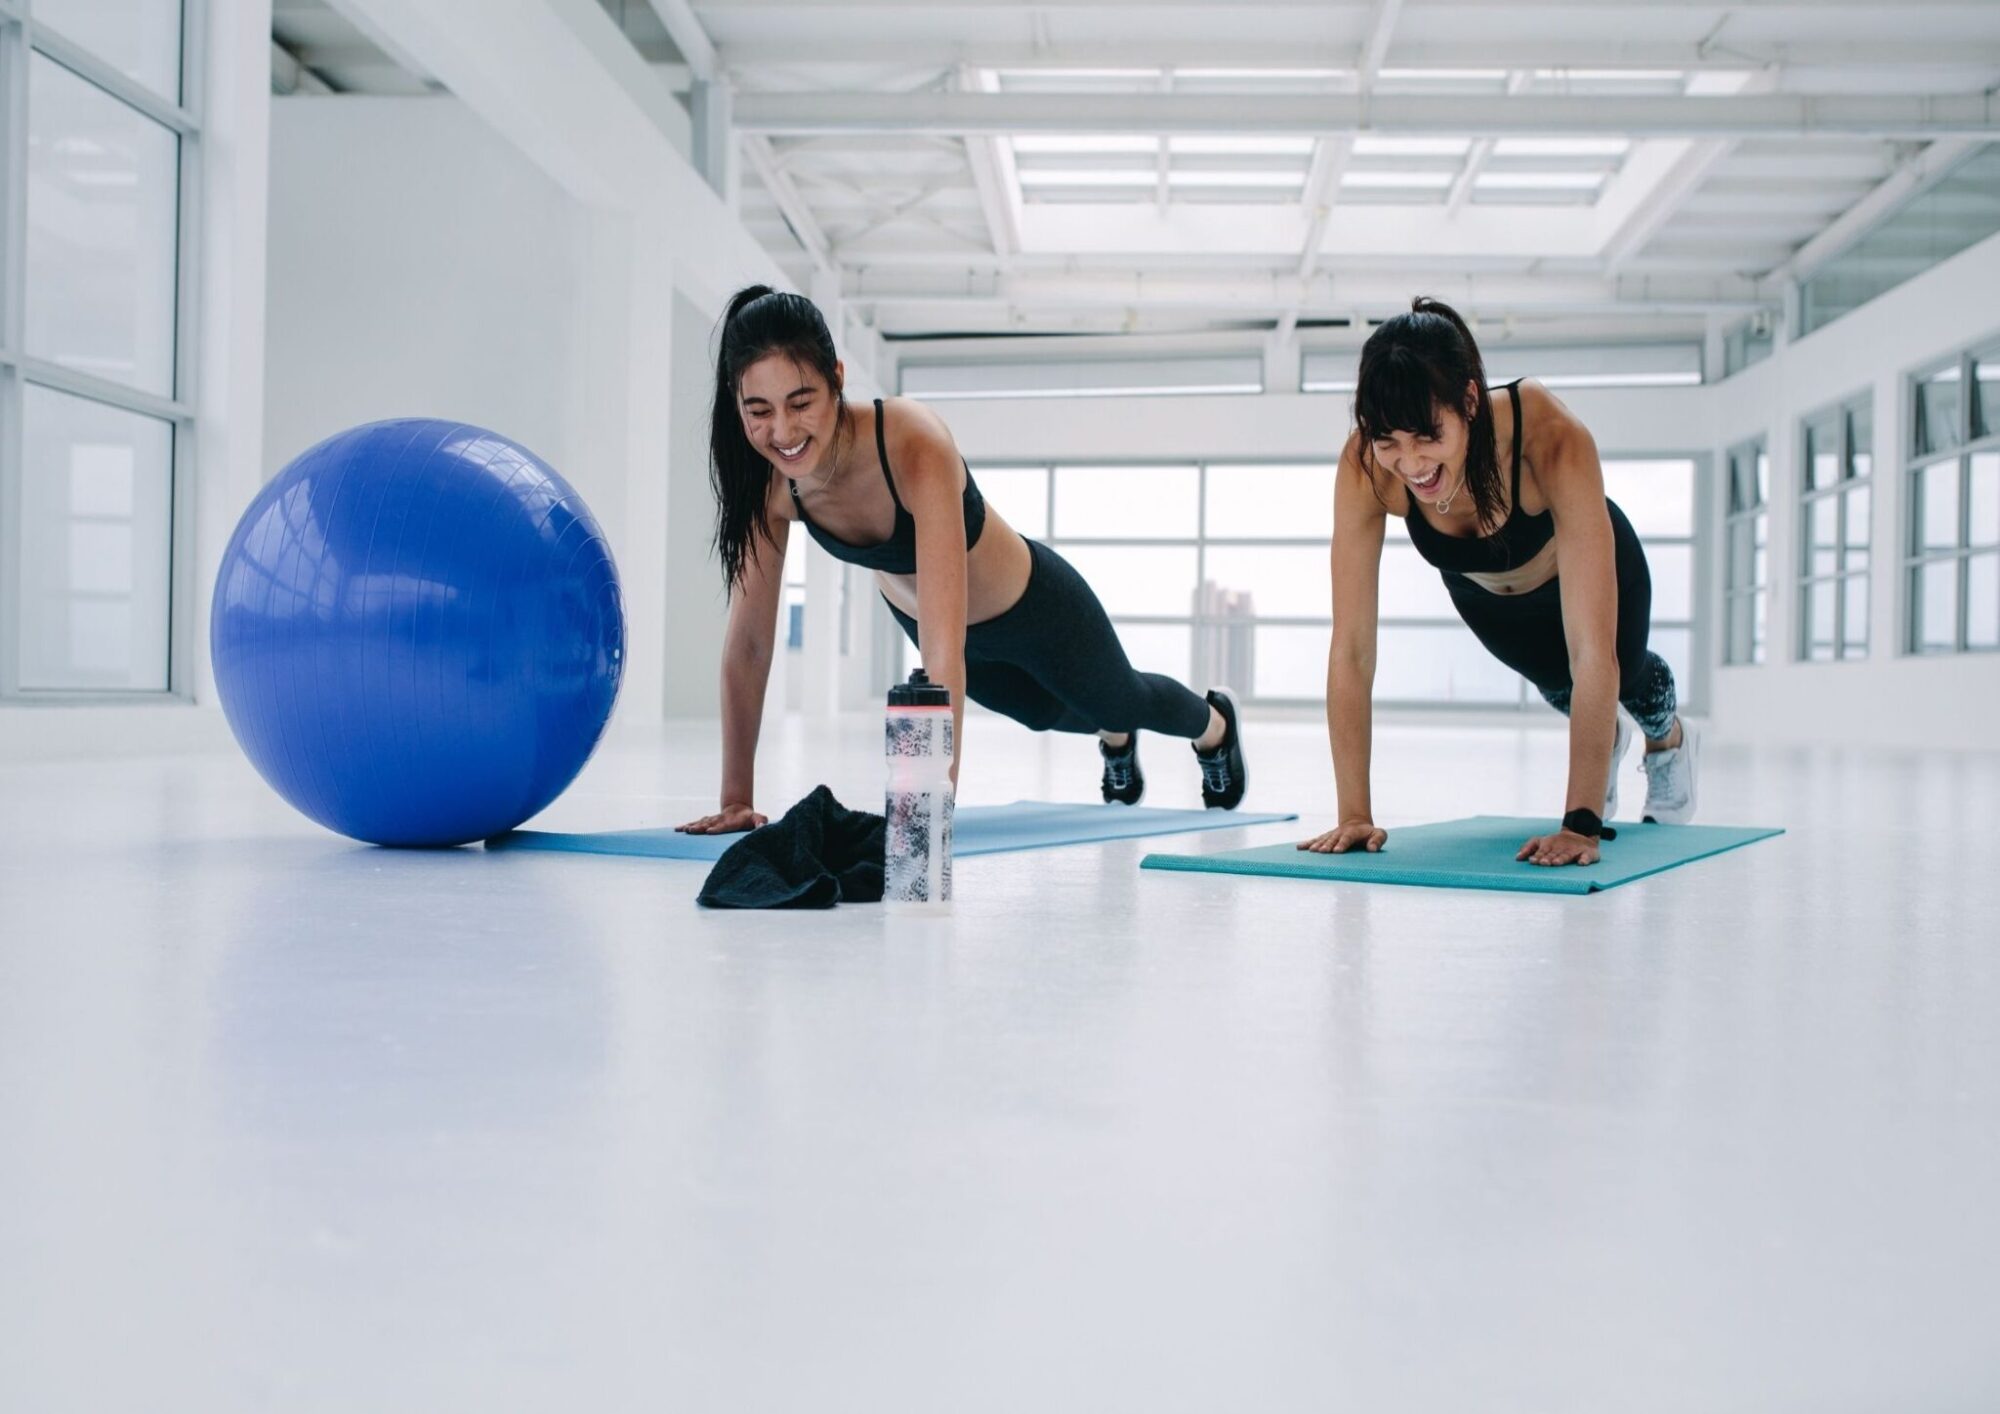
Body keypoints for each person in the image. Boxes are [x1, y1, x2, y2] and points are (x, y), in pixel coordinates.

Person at [677, 286, 1247, 835]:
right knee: (1041, 714)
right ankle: (1113, 735)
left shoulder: (912, 441)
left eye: (801, 402)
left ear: (837, 381)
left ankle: (1213, 725)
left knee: (1124, 697)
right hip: (933, 622)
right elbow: (750, 643)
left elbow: (941, 648)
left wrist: (931, 810)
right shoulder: (771, 491)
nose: (782, 431)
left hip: (1032, 607)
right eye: (759, 411)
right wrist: (735, 800)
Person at [1302, 297, 1698, 868]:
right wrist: (1354, 815)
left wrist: (1580, 825)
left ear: (1468, 401)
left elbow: (1592, 651)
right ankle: (1606, 740)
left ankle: (1668, 742)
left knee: (1625, 675)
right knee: (1560, 688)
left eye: (1425, 437)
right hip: (1487, 599)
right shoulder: (1367, 467)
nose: (1410, 463)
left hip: (1589, 568)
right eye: (1389, 441)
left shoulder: (1550, 437)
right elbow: (1353, 648)